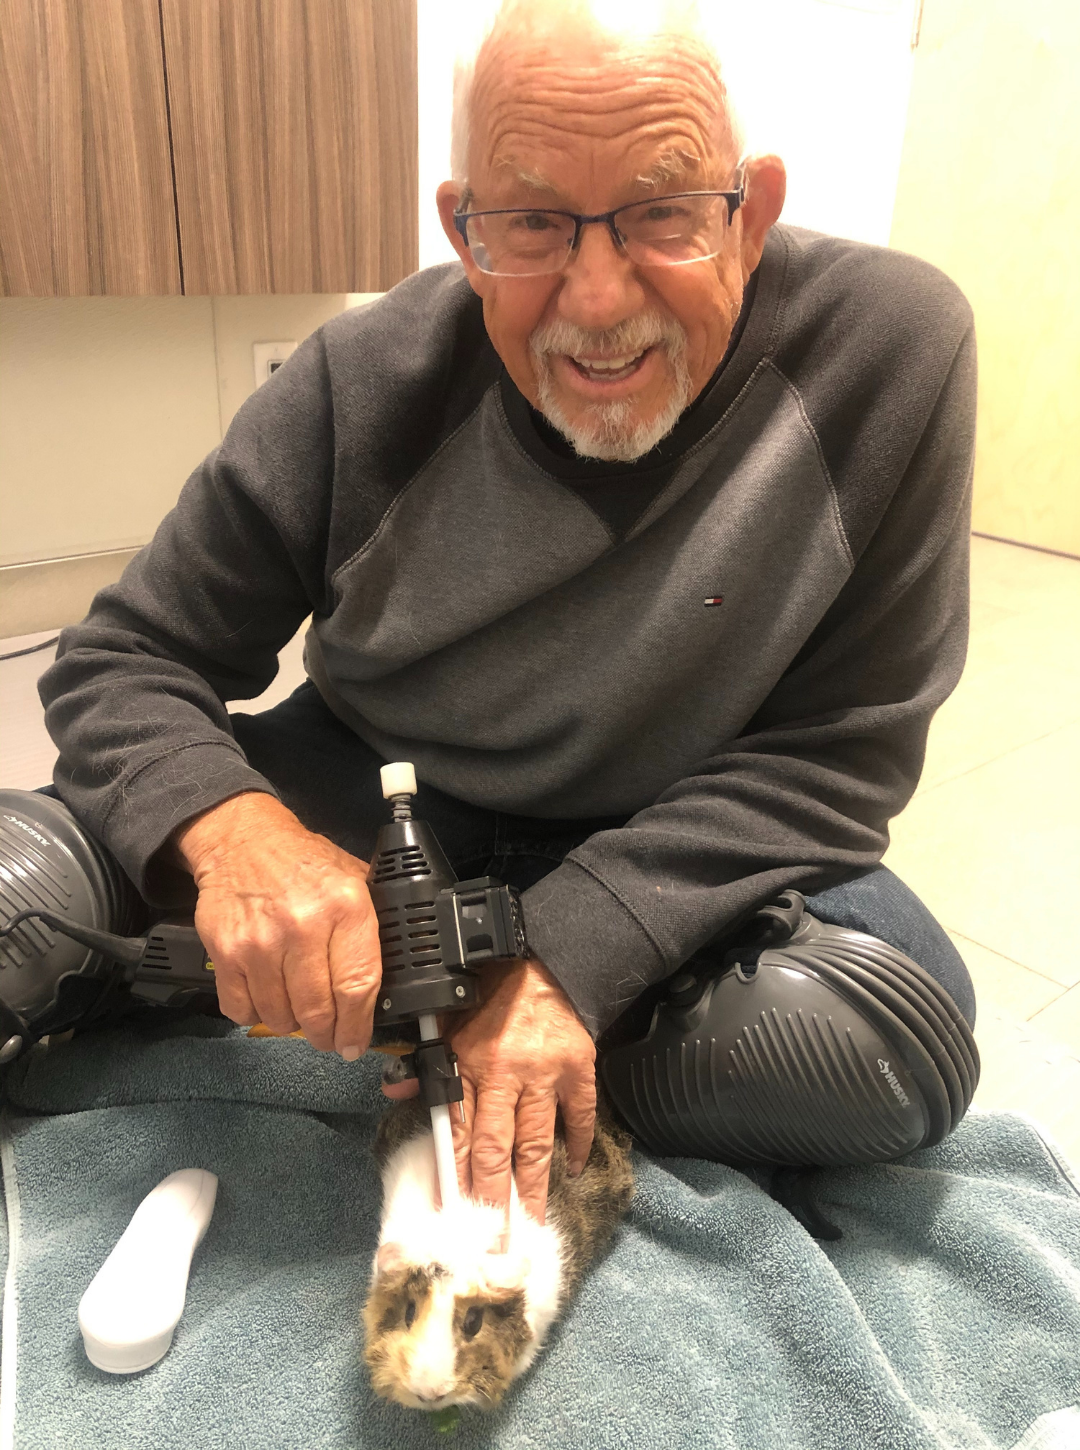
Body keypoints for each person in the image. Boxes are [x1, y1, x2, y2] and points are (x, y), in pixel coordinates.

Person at [39, 0, 976, 1226]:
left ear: (751, 210)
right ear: (461, 231)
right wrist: (238, 838)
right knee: (18, 899)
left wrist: (571, 959)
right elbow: (122, 658)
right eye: (531, 221)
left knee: (884, 1046)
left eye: (663, 211)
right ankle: (424, 1020)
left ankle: (438, 1035)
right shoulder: (358, 379)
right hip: (379, 800)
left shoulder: (895, 347)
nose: (596, 299)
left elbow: (843, 747)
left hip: (683, 826)